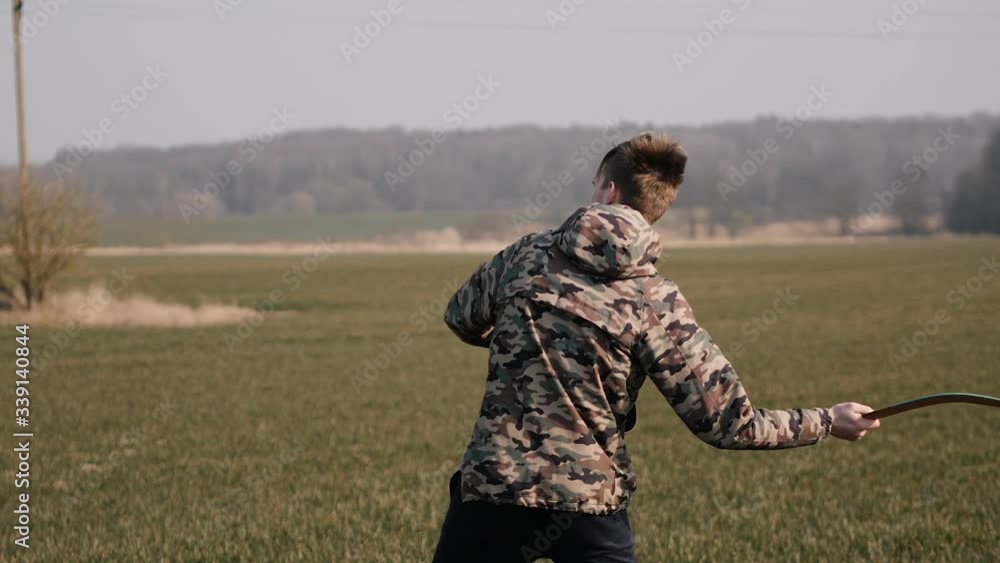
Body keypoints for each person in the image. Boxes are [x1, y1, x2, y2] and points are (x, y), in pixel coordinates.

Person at [432, 132, 881, 563]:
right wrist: (827, 421)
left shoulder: (525, 255)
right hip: (591, 504)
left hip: (492, 490)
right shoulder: (656, 301)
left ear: (608, 190)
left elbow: (460, 317)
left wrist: (518, 343)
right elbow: (728, 424)